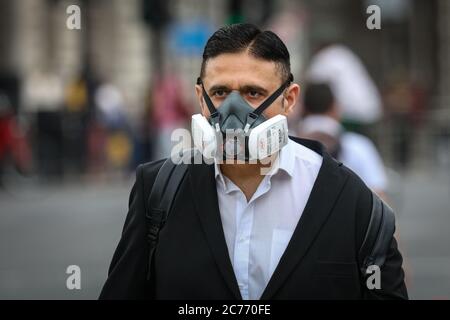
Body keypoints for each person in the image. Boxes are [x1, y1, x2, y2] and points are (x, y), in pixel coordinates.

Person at [100, 23, 407, 300]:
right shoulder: (158, 191)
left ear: (289, 99)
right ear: (200, 96)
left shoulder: (353, 202)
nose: (234, 110)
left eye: (253, 93)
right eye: (220, 92)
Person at [298, 83, 388, 198]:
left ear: (303, 108)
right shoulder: (358, 145)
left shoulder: (288, 141)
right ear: (335, 107)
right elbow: (379, 197)